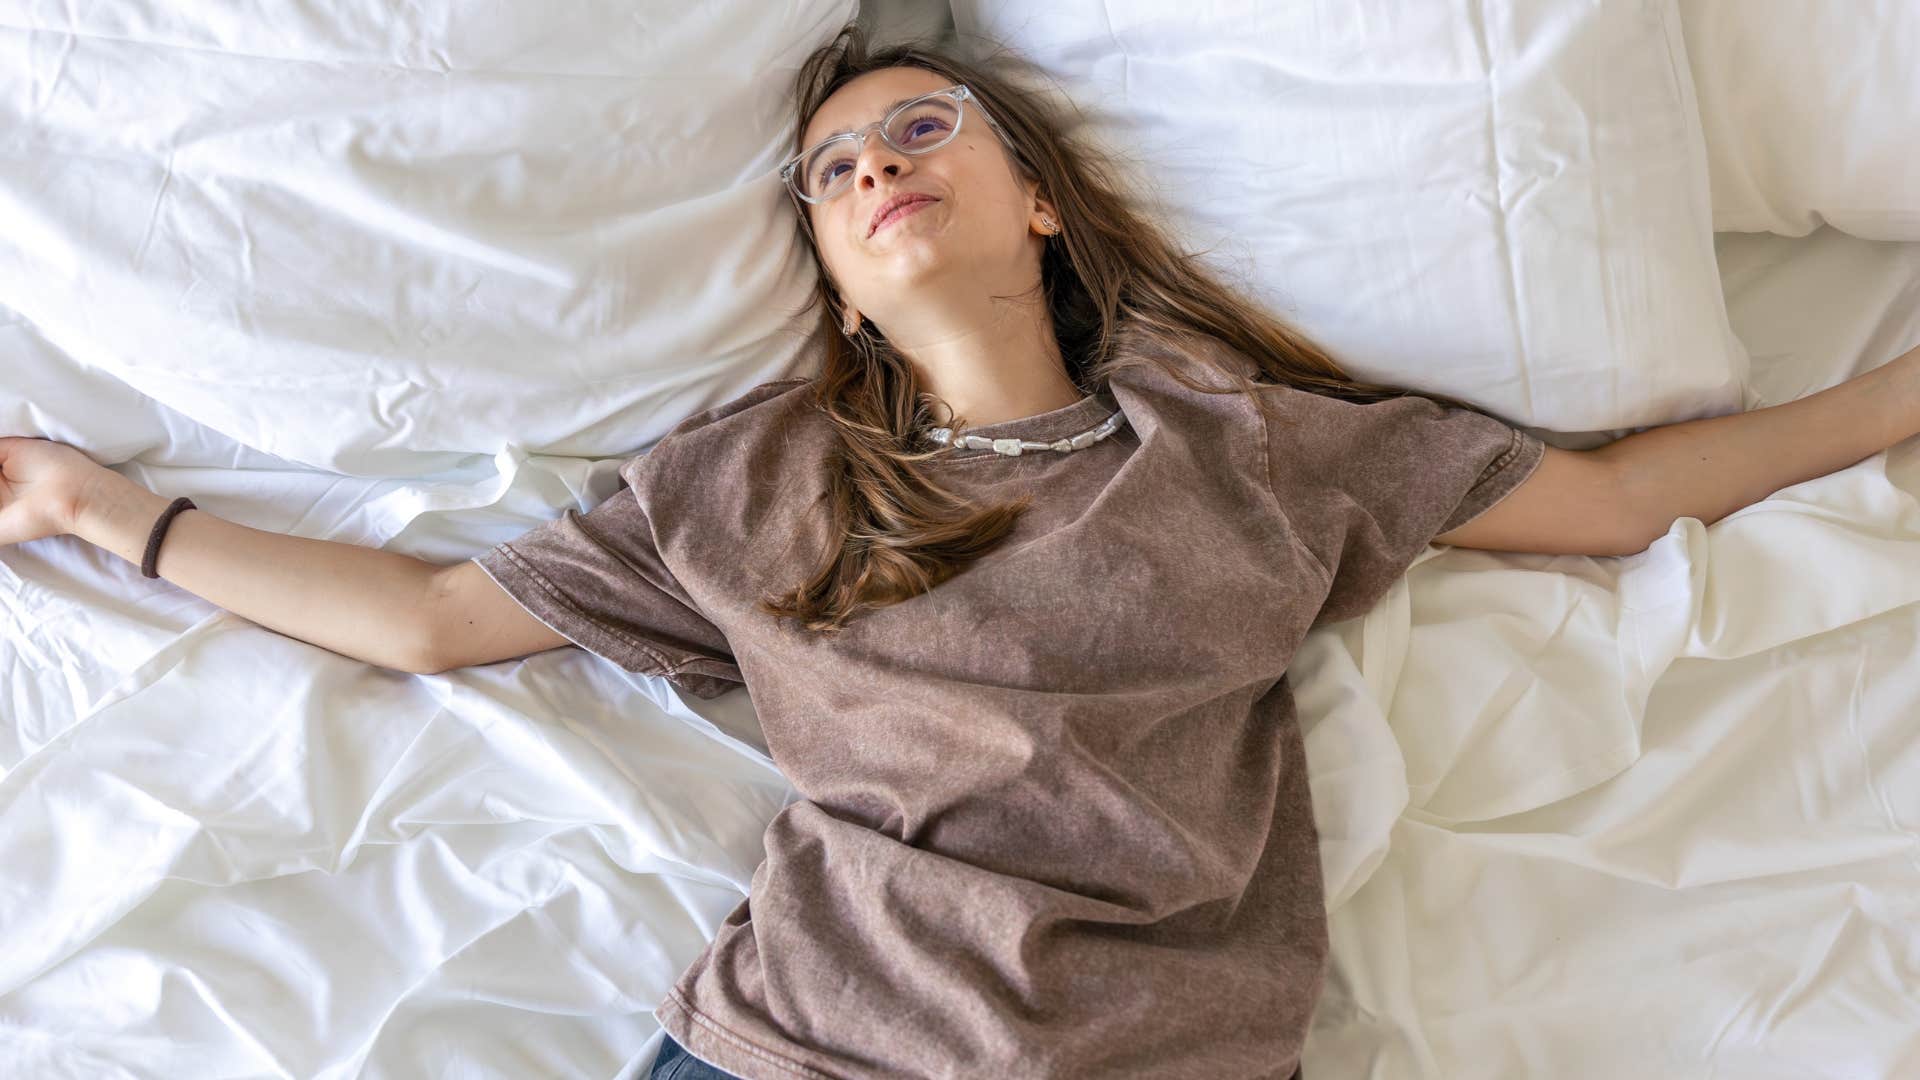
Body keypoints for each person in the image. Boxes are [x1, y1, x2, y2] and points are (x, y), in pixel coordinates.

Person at [11, 19, 1914, 1080]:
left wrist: (1899, 393)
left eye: (920, 131)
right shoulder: (754, 483)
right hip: (810, 1053)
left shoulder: (1246, 447)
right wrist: (104, 509)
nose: (878, 172)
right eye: (835, 174)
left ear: (1039, 205)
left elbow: (1618, 499)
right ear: (833, 283)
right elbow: (436, 616)